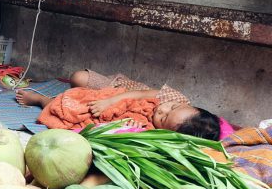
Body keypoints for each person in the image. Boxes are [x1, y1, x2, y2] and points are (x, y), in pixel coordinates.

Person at [16, 69, 223, 140]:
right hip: (119, 91)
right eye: (171, 107)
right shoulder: (177, 98)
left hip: (107, 109)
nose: (162, 108)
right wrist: (109, 101)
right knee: (78, 77)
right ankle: (74, 95)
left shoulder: (151, 131)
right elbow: (138, 93)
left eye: (164, 117)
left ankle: (42, 100)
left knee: (73, 112)